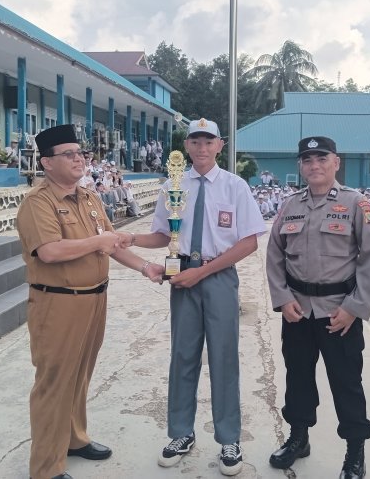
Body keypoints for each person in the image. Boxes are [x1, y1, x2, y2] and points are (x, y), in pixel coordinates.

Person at [16, 124, 164, 479]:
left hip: (94, 298)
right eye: (68, 154)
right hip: (58, 303)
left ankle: (74, 439)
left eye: (81, 153)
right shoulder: (39, 202)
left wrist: (146, 266)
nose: (79, 159)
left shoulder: (90, 198)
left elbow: (111, 242)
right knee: (54, 382)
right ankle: (46, 467)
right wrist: (97, 243)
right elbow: (50, 252)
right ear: (47, 163)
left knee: (80, 375)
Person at [130, 118, 266, 476]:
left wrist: (202, 272)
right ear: (186, 145)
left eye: (209, 142)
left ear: (220, 145)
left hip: (217, 276)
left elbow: (249, 242)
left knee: (223, 357)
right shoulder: (172, 185)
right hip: (180, 276)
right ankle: (181, 433)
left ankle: (228, 439)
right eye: (195, 141)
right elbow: (162, 235)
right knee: (183, 355)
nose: (202, 148)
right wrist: (129, 240)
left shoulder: (235, 187)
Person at [266, 136, 370, 479]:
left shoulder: (356, 203)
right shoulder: (289, 206)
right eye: (307, 160)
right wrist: (283, 298)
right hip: (298, 311)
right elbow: (274, 256)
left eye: (321, 158)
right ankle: (299, 438)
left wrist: (355, 307)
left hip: (339, 312)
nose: (314, 165)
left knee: (347, 383)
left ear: (336, 162)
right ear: (300, 166)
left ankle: (355, 453)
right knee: (298, 379)